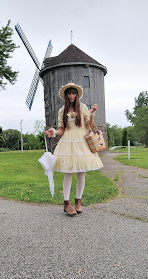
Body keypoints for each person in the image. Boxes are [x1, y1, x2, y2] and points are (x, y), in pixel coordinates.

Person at [45, 83, 103, 216]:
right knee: (69, 172)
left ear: (77, 95)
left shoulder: (82, 107)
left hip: (81, 141)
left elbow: (89, 125)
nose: (71, 96)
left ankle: (78, 201)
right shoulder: (62, 110)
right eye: (69, 93)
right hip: (67, 142)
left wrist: (92, 113)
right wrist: (52, 132)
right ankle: (66, 203)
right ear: (66, 95)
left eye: (73, 93)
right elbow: (61, 129)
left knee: (81, 172)